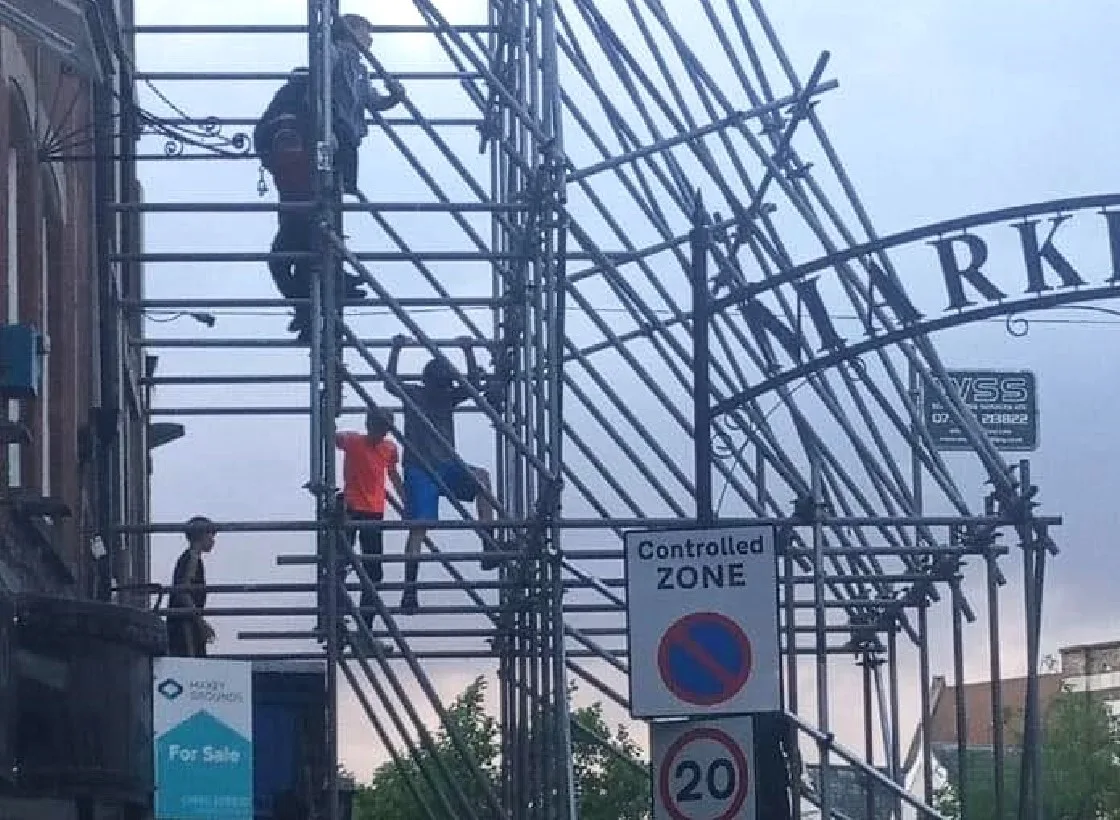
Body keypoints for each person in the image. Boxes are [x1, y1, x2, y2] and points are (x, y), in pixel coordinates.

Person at [255, 13, 404, 340]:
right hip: (332, 135)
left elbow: (374, 102)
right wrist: (322, 130)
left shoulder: (360, 72)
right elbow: (318, 92)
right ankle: (326, 294)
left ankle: (324, 296)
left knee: (326, 217)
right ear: (350, 31)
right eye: (367, 32)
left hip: (346, 141)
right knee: (313, 230)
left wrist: (395, 95)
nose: (371, 40)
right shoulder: (334, 54)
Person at [386, 335, 498, 615]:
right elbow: (389, 382)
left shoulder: (435, 395)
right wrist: (468, 349)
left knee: (481, 479)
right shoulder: (424, 395)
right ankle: (409, 589)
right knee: (419, 527)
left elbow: (471, 385)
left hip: (443, 466)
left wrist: (468, 350)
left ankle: (487, 543)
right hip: (420, 468)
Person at [336, 407, 403, 640]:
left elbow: (393, 474)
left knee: (373, 572)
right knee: (340, 564)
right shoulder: (353, 441)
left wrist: (406, 503)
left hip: (374, 513)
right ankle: (337, 616)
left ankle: (365, 627)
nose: (380, 433)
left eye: (385, 428)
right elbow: (331, 435)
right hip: (351, 509)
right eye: (378, 427)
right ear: (369, 425)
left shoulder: (390, 448)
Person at [167, 516, 217, 657]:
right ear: (200, 536)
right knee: (190, 661)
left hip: (186, 621)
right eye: (210, 535)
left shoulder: (190, 558)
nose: (213, 540)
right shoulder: (192, 558)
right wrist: (199, 622)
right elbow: (183, 591)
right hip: (185, 624)